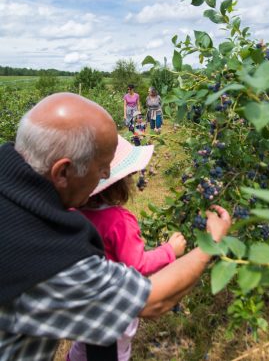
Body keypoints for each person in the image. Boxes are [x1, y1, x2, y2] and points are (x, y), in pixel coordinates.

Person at [0, 92, 231, 361]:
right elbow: (153, 300)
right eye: (102, 168)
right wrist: (211, 242)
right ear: (63, 172)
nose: (107, 176)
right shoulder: (48, 258)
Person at [68, 135, 187, 361]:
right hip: (112, 309)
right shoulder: (118, 221)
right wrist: (170, 250)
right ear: (119, 184)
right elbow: (138, 264)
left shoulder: (73, 214)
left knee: (84, 347)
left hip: (83, 302)